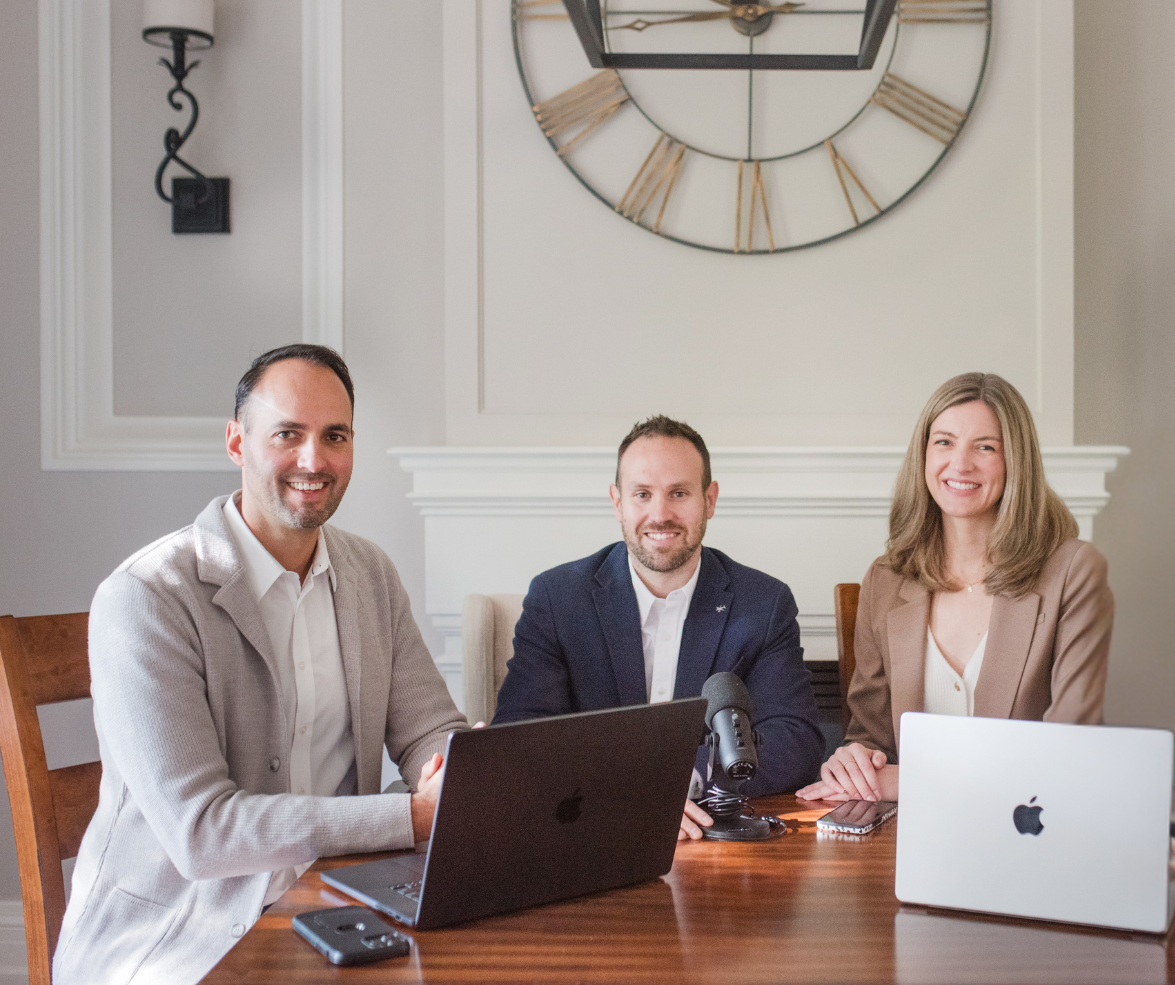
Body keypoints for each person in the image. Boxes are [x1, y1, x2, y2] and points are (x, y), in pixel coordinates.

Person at [54, 345, 468, 985]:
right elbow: (202, 832)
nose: (314, 460)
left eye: (335, 436)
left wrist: (456, 775)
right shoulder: (147, 597)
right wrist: (413, 815)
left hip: (337, 908)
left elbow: (431, 730)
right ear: (236, 442)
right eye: (287, 434)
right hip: (179, 936)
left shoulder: (371, 574)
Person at [492, 416, 824, 839]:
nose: (660, 514)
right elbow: (520, 736)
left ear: (710, 499)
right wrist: (629, 793)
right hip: (587, 832)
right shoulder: (557, 599)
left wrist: (682, 782)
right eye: (642, 494)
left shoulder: (764, 603)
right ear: (617, 502)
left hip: (710, 835)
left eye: (679, 493)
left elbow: (796, 740)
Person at [797, 373, 1113, 804]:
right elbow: (872, 738)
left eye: (986, 447)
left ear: (1016, 461)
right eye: (944, 442)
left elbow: (1070, 749)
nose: (961, 464)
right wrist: (855, 762)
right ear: (924, 455)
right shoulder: (885, 579)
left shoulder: (1075, 572)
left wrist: (911, 782)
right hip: (910, 832)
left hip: (1029, 826)